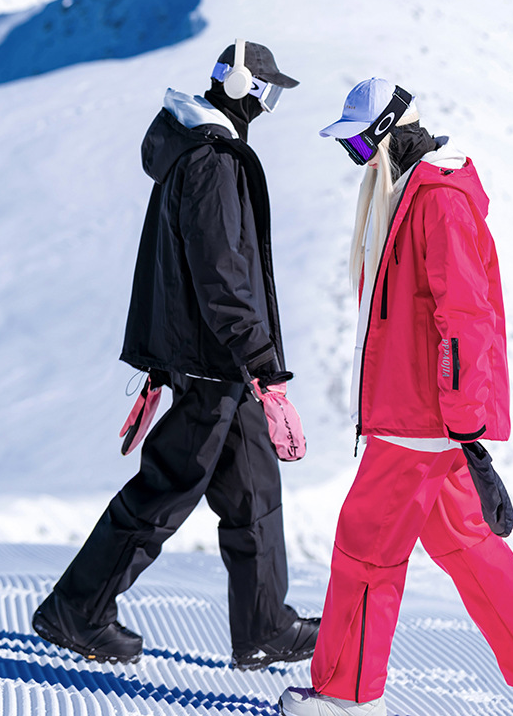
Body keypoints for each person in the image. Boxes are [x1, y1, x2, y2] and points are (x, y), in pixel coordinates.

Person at [278, 78, 513, 716]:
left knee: (366, 544)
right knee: (465, 543)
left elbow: (466, 318)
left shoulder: (439, 203)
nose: (355, 160)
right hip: (422, 416)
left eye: (357, 146)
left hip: (421, 420)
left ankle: (347, 697)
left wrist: (463, 424)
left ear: (386, 135)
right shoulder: (412, 195)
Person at [32, 40, 319, 671]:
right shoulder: (211, 160)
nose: (267, 107)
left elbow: (181, 267)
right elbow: (221, 273)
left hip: (219, 362)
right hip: (216, 361)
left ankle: (264, 626)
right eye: (266, 93)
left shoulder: (196, 151)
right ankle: (76, 609)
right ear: (240, 87)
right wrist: (263, 364)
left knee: (253, 492)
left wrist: (208, 365)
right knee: (166, 489)